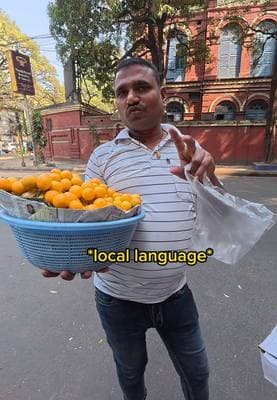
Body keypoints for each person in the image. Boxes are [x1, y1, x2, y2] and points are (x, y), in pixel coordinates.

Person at [43, 57, 222, 400]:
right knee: (130, 373)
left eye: (141, 87)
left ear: (162, 93)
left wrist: (211, 176)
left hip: (176, 295)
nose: (131, 98)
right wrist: (70, 254)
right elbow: (82, 219)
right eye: (122, 92)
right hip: (117, 299)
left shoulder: (189, 149)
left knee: (197, 373)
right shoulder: (103, 157)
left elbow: (220, 213)